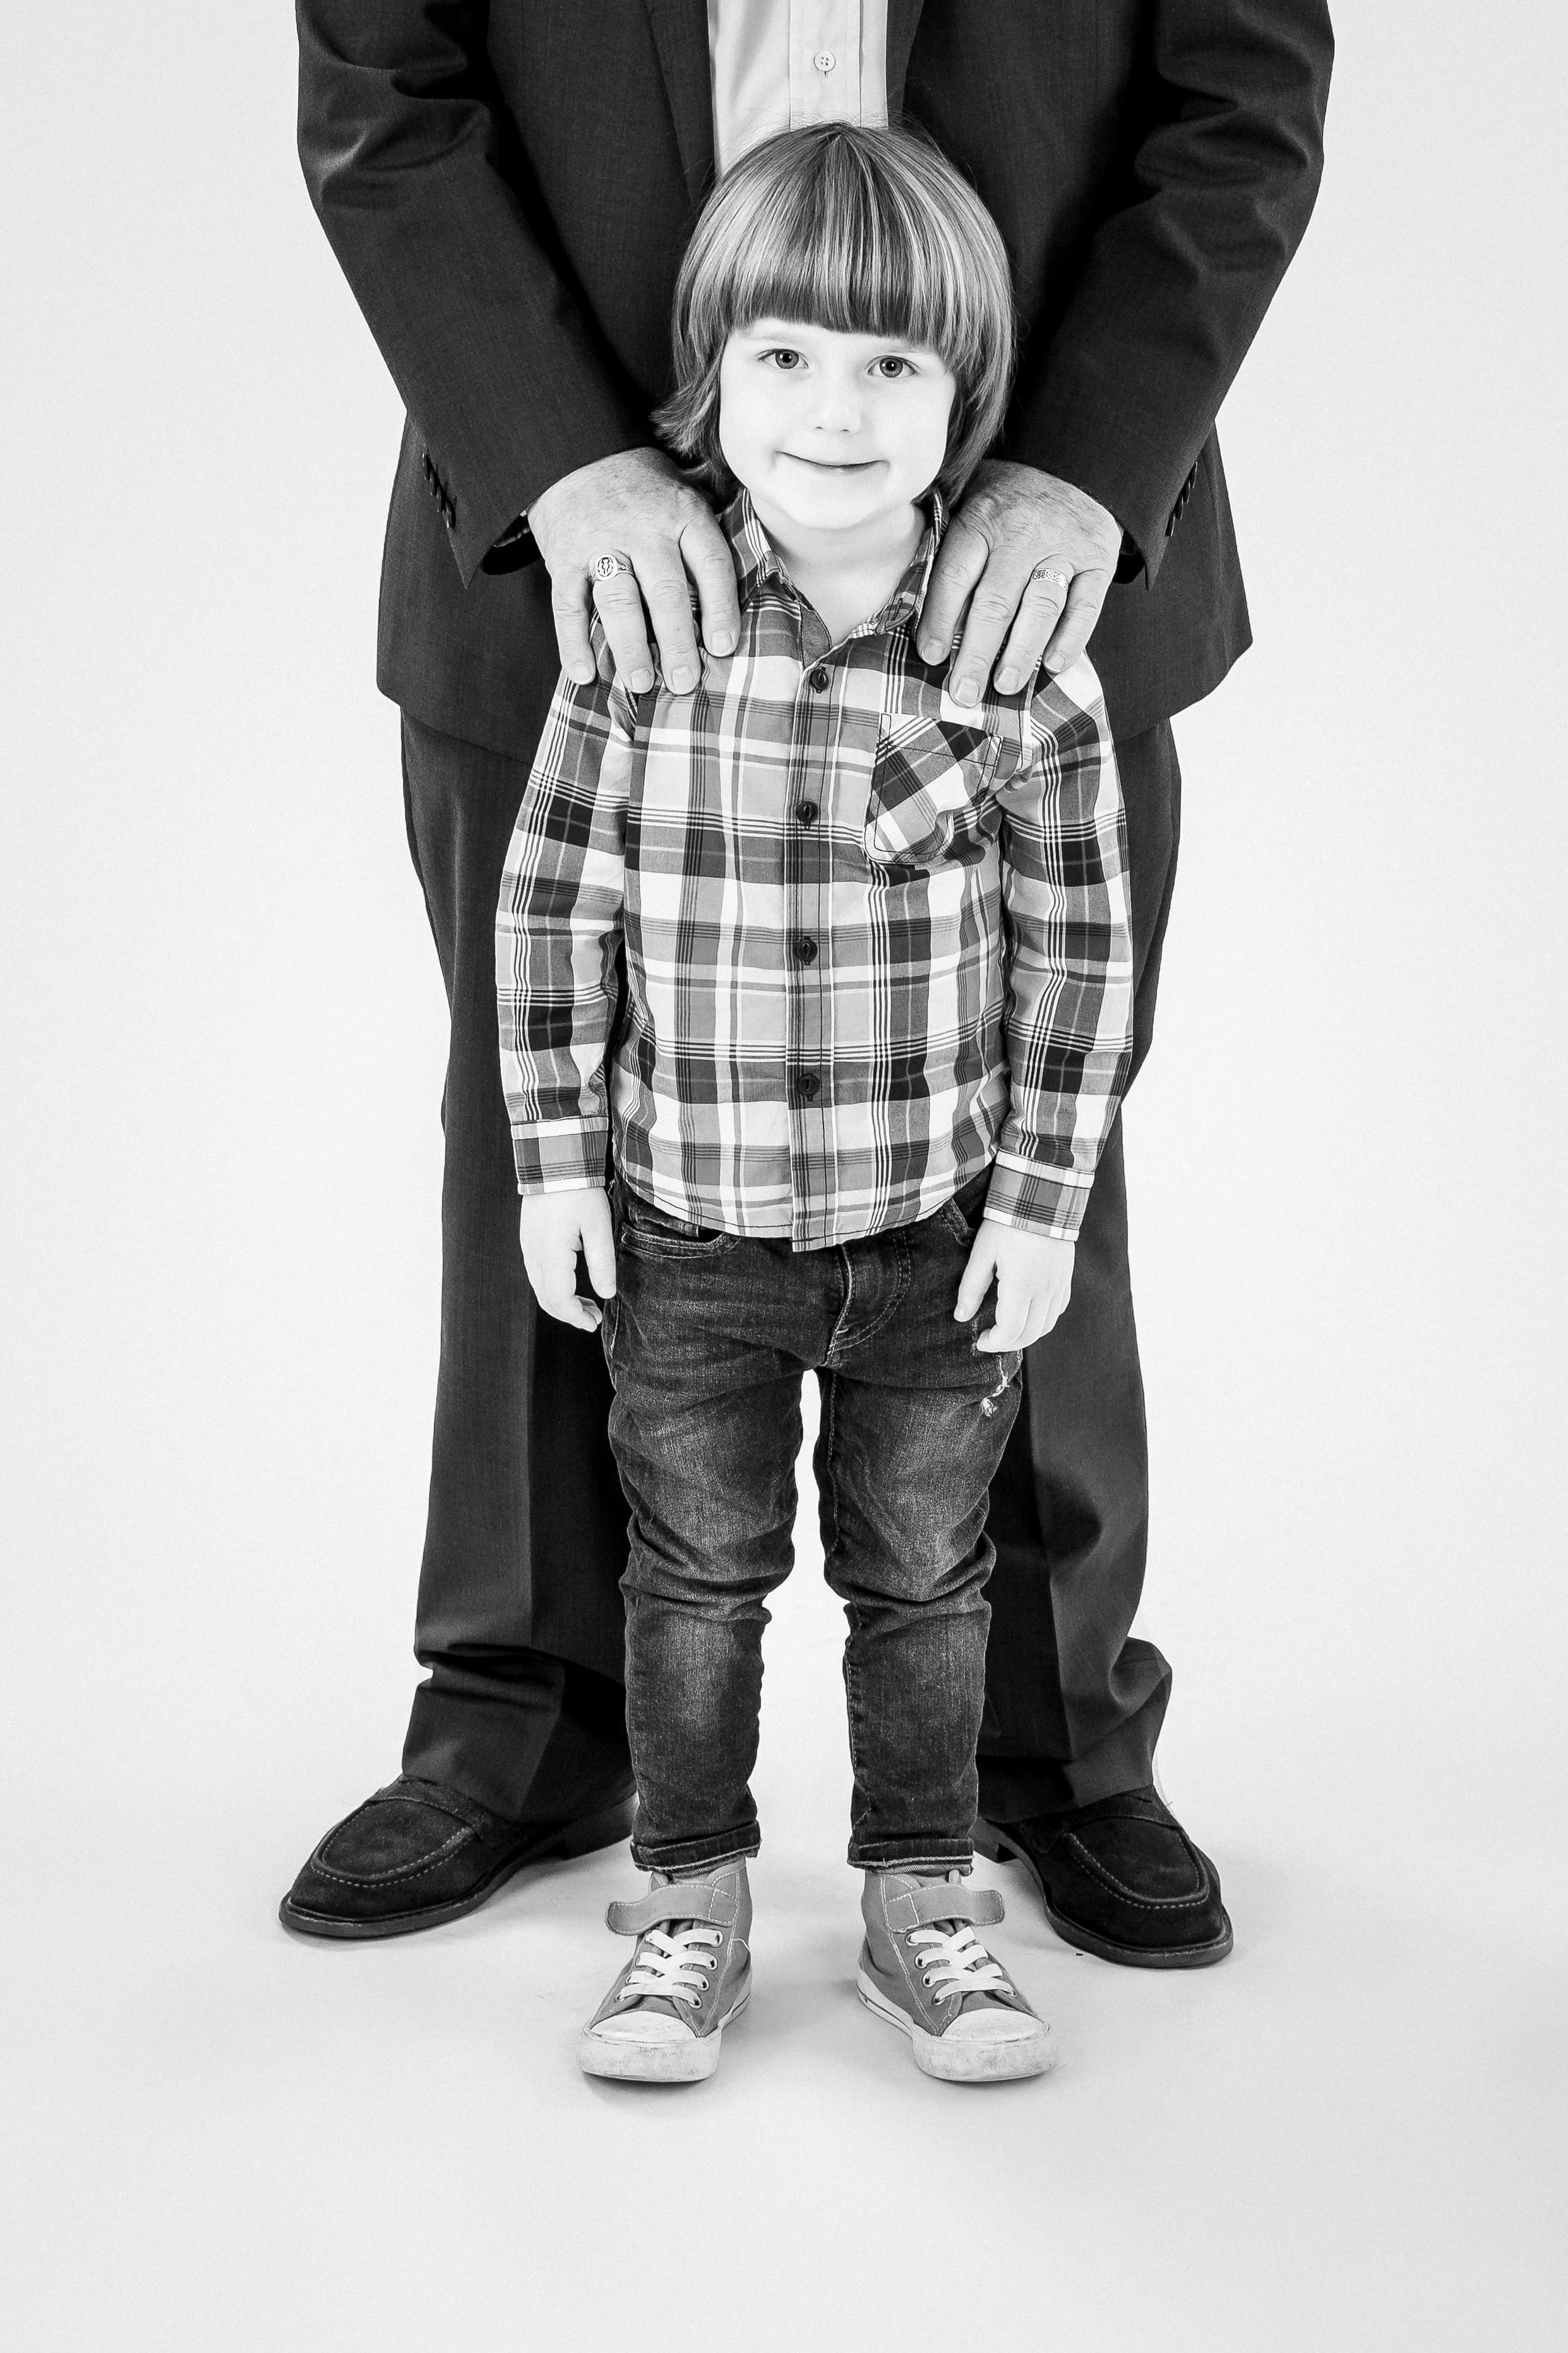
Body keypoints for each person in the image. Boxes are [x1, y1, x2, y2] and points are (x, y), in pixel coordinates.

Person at [282, 4, 1332, 1962]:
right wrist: (560, 463)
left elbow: (1241, 90)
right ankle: (530, 1716)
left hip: (1020, 555)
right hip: (578, 555)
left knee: (1023, 1117)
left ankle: (1050, 1745)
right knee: (545, 1121)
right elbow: (382, 86)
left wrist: (1094, 465)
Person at [499, 124, 1131, 2083]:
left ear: (968, 399)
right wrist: (552, 1162)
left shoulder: (1018, 672)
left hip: (929, 1248)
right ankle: (684, 1899)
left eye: (888, 366)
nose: (834, 411)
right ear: (705, 374)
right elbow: (553, 898)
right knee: (690, 1578)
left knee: (923, 1584)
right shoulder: (640, 640)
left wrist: (1038, 1207)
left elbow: (1079, 958)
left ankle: (923, 1895)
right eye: (782, 357)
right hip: (685, 1233)